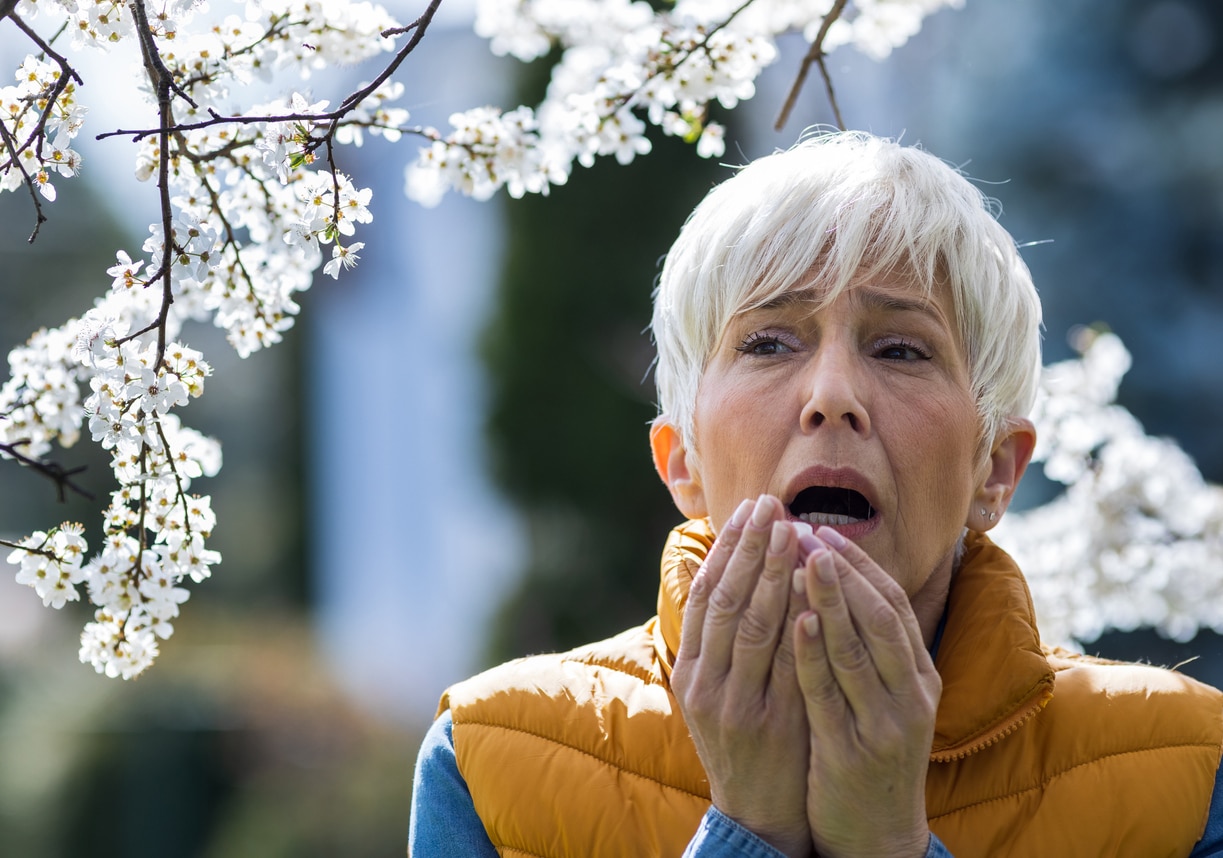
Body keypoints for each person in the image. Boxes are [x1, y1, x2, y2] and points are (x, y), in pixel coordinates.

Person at [408, 131, 1223, 857]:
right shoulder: (489, 759)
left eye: (901, 349)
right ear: (681, 459)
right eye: (767, 343)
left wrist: (887, 843)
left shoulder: (1188, 774)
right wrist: (747, 831)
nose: (831, 394)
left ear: (995, 471)